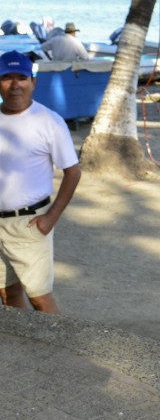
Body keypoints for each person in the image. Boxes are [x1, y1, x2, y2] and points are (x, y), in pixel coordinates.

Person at [0, 51, 81, 314]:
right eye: (6, 78)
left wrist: (51, 218)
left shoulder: (49, 122)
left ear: (33, 82)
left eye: (21, 78)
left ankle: (60, 353)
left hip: (29, 223)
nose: (15, 86)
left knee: (40, 298)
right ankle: (25, 350)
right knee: (6, 291)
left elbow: (73, 172)